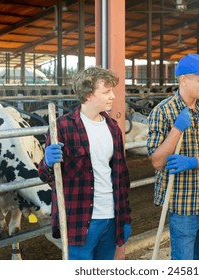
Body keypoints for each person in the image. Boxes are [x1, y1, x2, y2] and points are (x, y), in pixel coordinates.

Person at [38, 66, 131, 260]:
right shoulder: (62, 127)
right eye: (106, 92)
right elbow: (46, 176)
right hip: (80, 221)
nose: (113, 96)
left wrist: (125, 217)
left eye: (112, 90)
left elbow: (122, 177)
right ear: (88, 94)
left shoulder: (113, 128)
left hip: (111, 217)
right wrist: (47, 162)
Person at [146, 54, 199, 260]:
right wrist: (176, 129)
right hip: (184, 204)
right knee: (183, 263)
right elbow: (157, 162)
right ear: (184, 79)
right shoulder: (162, 112)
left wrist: (194, 162)